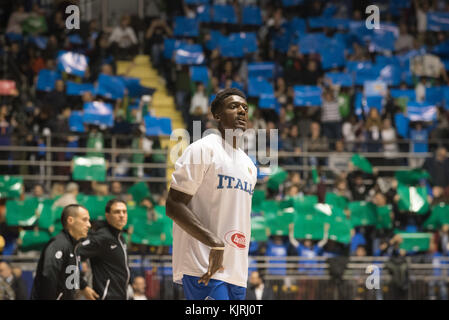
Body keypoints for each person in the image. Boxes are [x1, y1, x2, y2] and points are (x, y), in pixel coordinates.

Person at [166, 88, 257, 300]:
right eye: (234, 107)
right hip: (203, 264)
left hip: (236, 269)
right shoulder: (202, 149)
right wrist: (214, 242)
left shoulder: (248, 165)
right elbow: (173, 205)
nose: (242, 111)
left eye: (245, 107)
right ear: (217, 115)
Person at [30, 204, 98, 300]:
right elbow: (48, 276)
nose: (89, 225)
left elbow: (71, 273)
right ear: (70, 220)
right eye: (84, 220)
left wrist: (83, 286)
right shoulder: (58, 244)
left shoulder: (75, 246)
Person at [77, 199, 130, 300]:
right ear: (107, 215)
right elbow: (72, 254)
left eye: (124, 211)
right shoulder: (102, 237)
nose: (122, 215)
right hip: (105, 296)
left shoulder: (120, 237)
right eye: (117, 212)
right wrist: (82, 286)